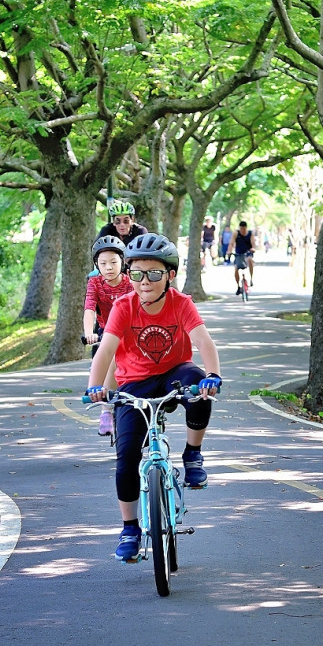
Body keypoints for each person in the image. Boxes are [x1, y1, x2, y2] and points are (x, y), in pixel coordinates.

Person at [85, 233, 222, 562]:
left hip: (176, 373)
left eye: (154, 274)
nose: (144, 281)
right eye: (137, 273)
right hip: (135, 383)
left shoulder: (181, 303)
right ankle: (130, 529)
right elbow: (105, 352)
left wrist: (214, 375)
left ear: (170, 276)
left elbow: (203, 342)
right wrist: (95, 387)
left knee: (199, 385)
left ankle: (193, 454)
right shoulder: (123, 307)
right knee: (127, 457)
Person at [82, 236, 131, 436]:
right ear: (97, 265)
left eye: (113, 262)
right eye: (103, 263)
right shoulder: (95, 283)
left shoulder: (130, 283)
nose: (108, 267)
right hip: (107, 331)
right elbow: (89, 309)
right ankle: (106, 411)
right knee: (107, 360)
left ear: (123, 263)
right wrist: (89, 333)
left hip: (131, 329)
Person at [228, 220, 256, 294]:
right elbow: (231, 243)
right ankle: (238, 286)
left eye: (244, 229)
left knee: (250, 260)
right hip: (239, 253)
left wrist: (253, 248)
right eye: (241, 229)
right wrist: (229, 251)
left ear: (246, 228)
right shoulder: (236, 233)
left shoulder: (250, 233)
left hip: (248, 252)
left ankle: (251, 278)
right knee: (236, 268)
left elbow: (253, 243)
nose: (242, 230)